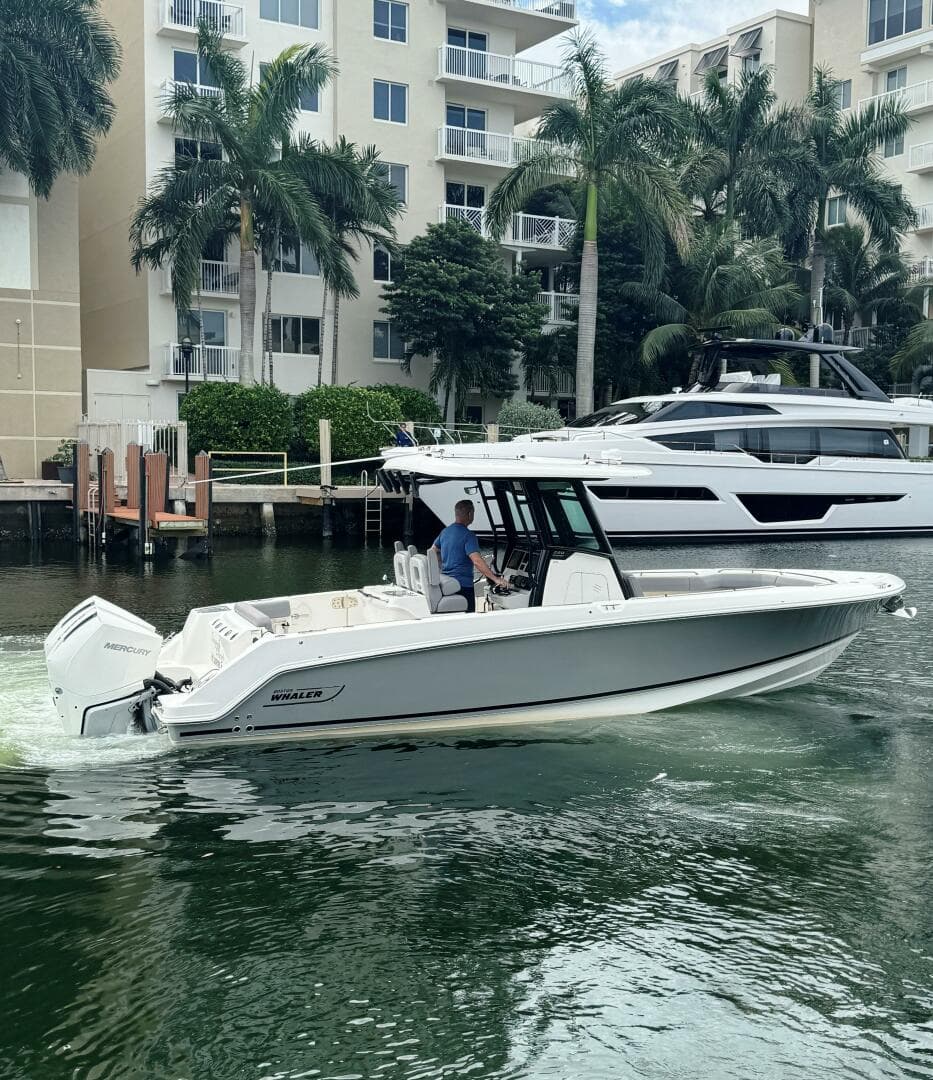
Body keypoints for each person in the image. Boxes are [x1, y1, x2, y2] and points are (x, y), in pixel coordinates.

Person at [432, 500, 508, 612]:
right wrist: (495, 579)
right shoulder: (469, 535)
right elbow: (477, 561)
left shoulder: (445, 532)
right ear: (470, 514)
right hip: (463, 586)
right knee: (469, 617)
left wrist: (441, 566)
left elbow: (433, 551)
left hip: (447, 583)